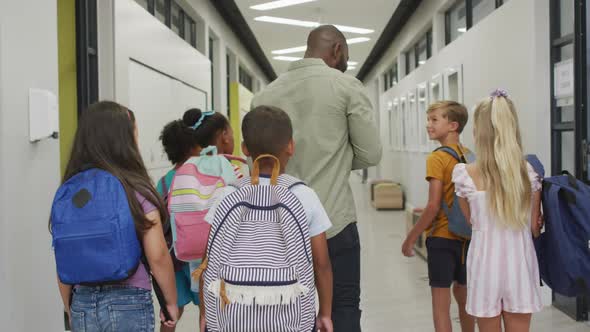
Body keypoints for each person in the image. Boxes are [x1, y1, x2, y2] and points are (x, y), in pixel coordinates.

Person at [251, 25, 382, 331]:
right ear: (337, 50)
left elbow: (261, 162)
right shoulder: (347, 87)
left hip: (280, 226)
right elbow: (371, 154)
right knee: (344, 308)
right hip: (335, 222)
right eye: (346, 55)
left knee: (288, 309)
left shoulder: (265, 95)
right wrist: (335, 162)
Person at [202, 106, 334, 331]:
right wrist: (324, 314)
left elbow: (209, 261)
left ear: (244, 149)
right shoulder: (304, 196)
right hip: (291, 317)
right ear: (290, 146)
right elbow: (321, 265)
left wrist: (207, 314)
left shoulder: (228, 194)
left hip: (232, 317)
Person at [53, 101, 178, 331]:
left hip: (82, 302)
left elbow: (64, 256)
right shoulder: (135, 189)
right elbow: (158, 255)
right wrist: (170, 303)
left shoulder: (70, 193)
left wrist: (70, 309)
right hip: (127, 302)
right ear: (124, 141)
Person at [452, 90, 543, 332]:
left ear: (477, 132)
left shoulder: (464, 175)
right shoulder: (529, 173)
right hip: (520, 266)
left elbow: (471, 221)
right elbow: (535, 229)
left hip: (485, 267)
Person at [157, 108, 241, 332]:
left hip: (176, 256)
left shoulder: (165, 181)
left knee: (171, 312)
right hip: (204, 254)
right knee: (208, 310)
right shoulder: (215, 169)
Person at [402, 101, 475, 332]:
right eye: (429, 119)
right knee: (465, 300)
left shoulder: (437, 158)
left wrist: (411, 238)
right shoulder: (470, 155)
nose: (428, 125)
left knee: (441, 306)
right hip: (468, 238)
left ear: (453, 125)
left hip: (442, 238)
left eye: (434, 120)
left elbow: (433, 206)